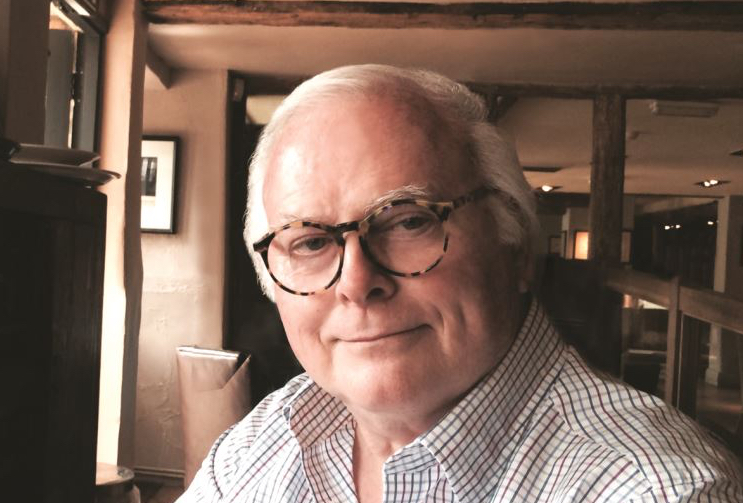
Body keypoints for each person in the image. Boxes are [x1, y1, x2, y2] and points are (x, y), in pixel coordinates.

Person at [178, 65, 742, 502]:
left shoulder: (656, 490)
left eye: (408, 221)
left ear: (514, 246)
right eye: (309, 242)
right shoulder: (260, 441)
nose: (356, 283)